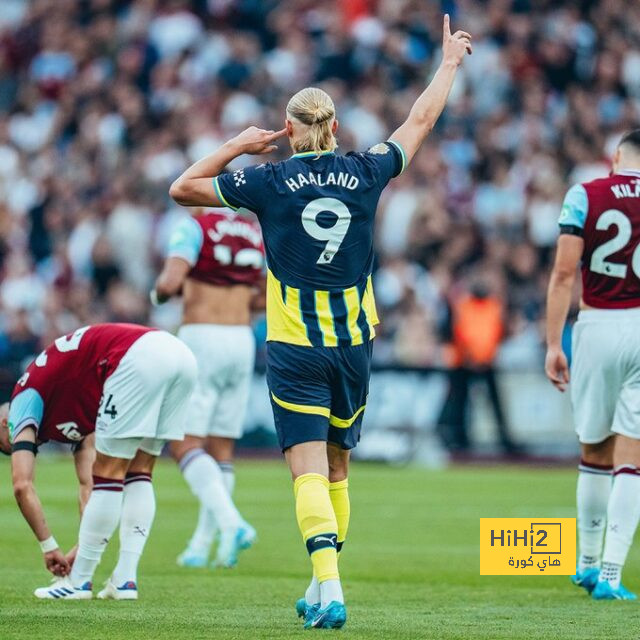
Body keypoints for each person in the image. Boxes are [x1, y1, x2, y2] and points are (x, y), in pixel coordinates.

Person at [168, 14, 472, 629]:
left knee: (305, 471)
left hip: (294, 347)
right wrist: (450, 64)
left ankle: (329, 590)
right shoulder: (366, 171)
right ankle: (323, 584)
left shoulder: (268, 182)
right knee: (337, 470)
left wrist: (240, 145)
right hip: (352, 348)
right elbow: (420, 121)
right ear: (333, 127)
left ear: (290, 128)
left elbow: (183, 188)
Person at [0, 323, 197, 600]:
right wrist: (82, 546)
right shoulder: (66, 401)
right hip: (179, 356)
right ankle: (125, 580)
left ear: (5, 422)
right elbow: (87, 486)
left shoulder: (23, 399)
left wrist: (49, 546)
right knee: (139, 472)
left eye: (8, 444)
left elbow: (21, 485)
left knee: (111, 475)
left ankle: (78, 582)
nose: (26, 447)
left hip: (136, 358)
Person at [545, 129, 640, 601]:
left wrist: (551, 344)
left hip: (598, 323)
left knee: (595, 453)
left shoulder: (585, 193)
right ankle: (611, 574)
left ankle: (584, 564)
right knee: (632, 458)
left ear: (617, 157)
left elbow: (564, 273)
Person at [152, 207, 265, 568]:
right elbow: (264, 296)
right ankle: (202, 545)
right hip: (242, 339)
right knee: (222, 448)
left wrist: (157, 295)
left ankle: (232, 523)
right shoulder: (250, 229)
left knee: (183, 442)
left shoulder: (194, 226)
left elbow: (169, 283)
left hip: (202, 335)